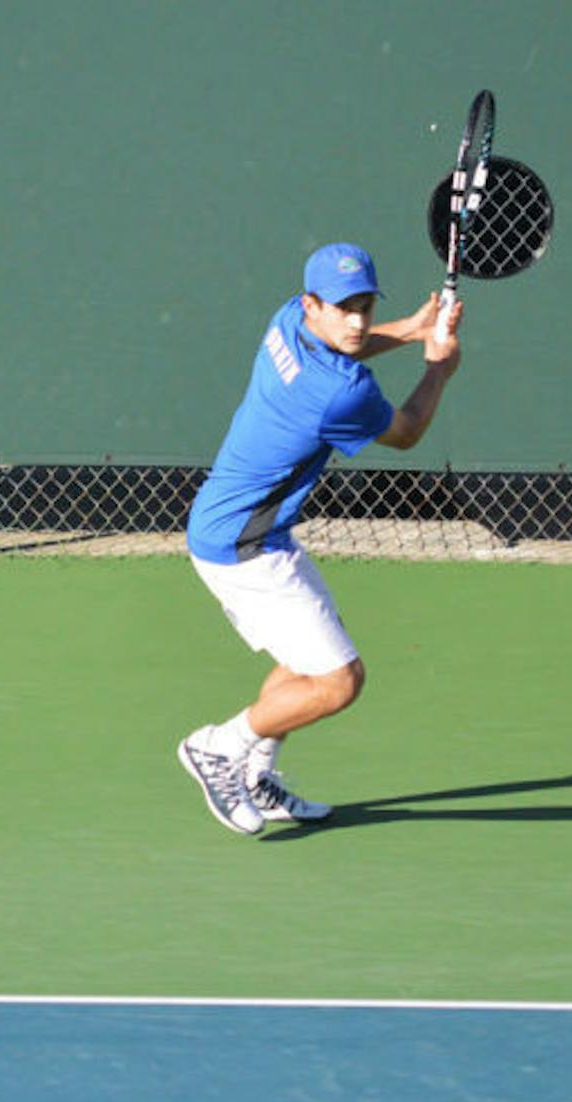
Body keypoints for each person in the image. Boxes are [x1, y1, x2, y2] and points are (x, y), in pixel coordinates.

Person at [180, 242, 464, 835]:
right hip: (244, 547)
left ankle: (258, 773)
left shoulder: (287, 320)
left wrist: (411, 331)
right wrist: (438, 366)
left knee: (302, 660)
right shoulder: (339, 393)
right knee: (339, 681)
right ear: (314, 302)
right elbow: (407, 433)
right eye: (344, 307)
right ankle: (220, 747)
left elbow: (349, 344)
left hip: (239, 528)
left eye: (365, 304)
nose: (358, 320)